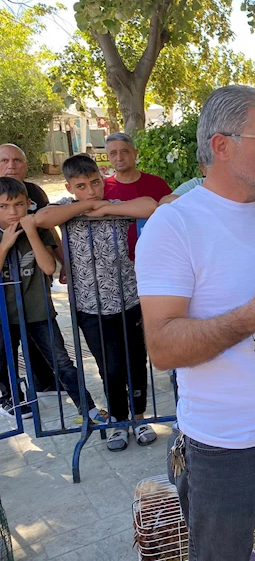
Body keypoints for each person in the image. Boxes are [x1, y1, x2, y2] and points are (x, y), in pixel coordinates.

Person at [135, 85, 255, 561]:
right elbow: (162, 348)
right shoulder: (173, 226)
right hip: (223, 445)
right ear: (221, 146)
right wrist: (252, 317)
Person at [35, 155, 159, 451]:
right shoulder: (66, 209)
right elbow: (41, 219)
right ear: (69, 187)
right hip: (91, 306)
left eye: (95, 183)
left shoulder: (114, 206)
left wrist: (103, 207)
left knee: (135, 362)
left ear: (102, 180)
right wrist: (85, 207)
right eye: (81, 186)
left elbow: (149, 206)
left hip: (128, 300)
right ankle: (118, 421)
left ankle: (139, 418)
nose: (91, 190)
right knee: (110, 368)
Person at [0, 177, 108, 424]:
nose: (13, 212)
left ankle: (87, 408)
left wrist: (30, 232)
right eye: (4, 206)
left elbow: (49, 267)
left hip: (37, 311)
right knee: (5, 361)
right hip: (4, 315)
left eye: (18, 204)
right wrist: (5, 246)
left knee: (62, 362)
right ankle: (12, 399)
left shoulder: (38, 229)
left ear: (29, 203)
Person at [0, 143, 62, 395]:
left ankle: (44, 380)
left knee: (36, 326)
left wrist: (64, 263)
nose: (11, 166)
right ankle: (11, 396)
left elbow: (50, 229)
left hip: (31, 278)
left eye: (17, 160)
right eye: (4, 161)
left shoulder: (35, 192)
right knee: (6, 344)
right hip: (4, 288)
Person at [102, 133, 172, 260]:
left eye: (124, 151)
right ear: (108, 157)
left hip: (154, 257)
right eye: (113, 153)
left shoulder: (157, 183)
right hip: (115, 261)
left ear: (135, 153)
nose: (119, 158)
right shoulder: (102, 188)